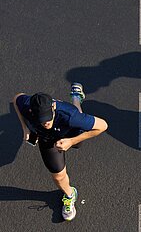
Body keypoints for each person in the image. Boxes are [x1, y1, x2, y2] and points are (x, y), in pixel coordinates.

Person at [13, 83, 108, 221]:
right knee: (57, 175)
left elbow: (103, 126)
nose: (45, 123)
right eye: (41, 119)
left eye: (47, 117)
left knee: (78, 117)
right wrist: (25, 128)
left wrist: (71, 141)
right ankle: (70, 195)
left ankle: (76, 98)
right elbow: (16, 98)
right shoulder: (27, 105)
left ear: (53, 107)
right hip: (47, 139)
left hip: (70, 132)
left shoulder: (69, 116)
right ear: (32, 112)